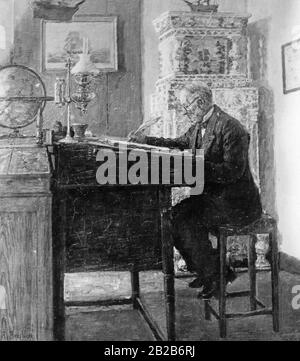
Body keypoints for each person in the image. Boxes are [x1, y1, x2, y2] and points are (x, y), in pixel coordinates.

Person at [128, 83, 262, 298]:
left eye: (186, 107)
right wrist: (147, 141)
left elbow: (232, 172)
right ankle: (213, 271)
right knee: (171, 217)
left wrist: (195, 165)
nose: (185, 111)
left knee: (184, 221)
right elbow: (178, 142)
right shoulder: (198, 124)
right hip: (215, 199)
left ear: (200, 102)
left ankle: (214, 276)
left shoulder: (230, 127)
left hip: (236, 203)